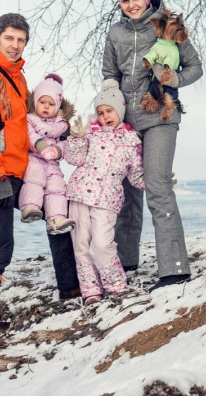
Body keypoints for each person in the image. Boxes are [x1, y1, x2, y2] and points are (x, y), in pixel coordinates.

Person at [0, 13, 79, 348]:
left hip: (18, 169)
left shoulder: (18, 79)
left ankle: (72, 289)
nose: (15, 45)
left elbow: (24, 128)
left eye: (21, 40)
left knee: (60, 215)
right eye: (9, 38)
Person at [102, 0, 203, 290]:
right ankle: (125, 261)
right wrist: (108, 104)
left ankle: (174, 270)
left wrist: (175, 78)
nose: (131, 4)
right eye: (125, 0)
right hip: (126, 121)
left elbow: (195, 66)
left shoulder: (167, 24)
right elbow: (109, 73)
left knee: (157, 187)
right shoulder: (115, 33)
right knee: (126, 192)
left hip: (161, 115)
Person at [65, 79, 144, 304]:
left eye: (109, 111)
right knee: (81, 245)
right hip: (80, 195)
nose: (105, 116)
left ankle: (116, 285)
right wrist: (77, 138)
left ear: (119, 110)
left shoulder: (130, 143)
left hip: (107, 200)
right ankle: (91, 291)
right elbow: (74, 159)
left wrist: (159, 180)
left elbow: (137, 177)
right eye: (100, 112)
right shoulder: (91, 134)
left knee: (101, 244)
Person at [19, 72, 76, 234]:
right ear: (35, 101)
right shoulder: (30, 118)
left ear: (57, 107)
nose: (46, 106)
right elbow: (29, 135)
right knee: (34, 180)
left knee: (57, 188)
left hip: (53, 162)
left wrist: (58, 150)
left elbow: (66, 143)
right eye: (42, 102)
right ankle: (30, 207)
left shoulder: (62, 125)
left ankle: (57, 219)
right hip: (35, 158)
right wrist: (41, 145)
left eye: (51, 104)